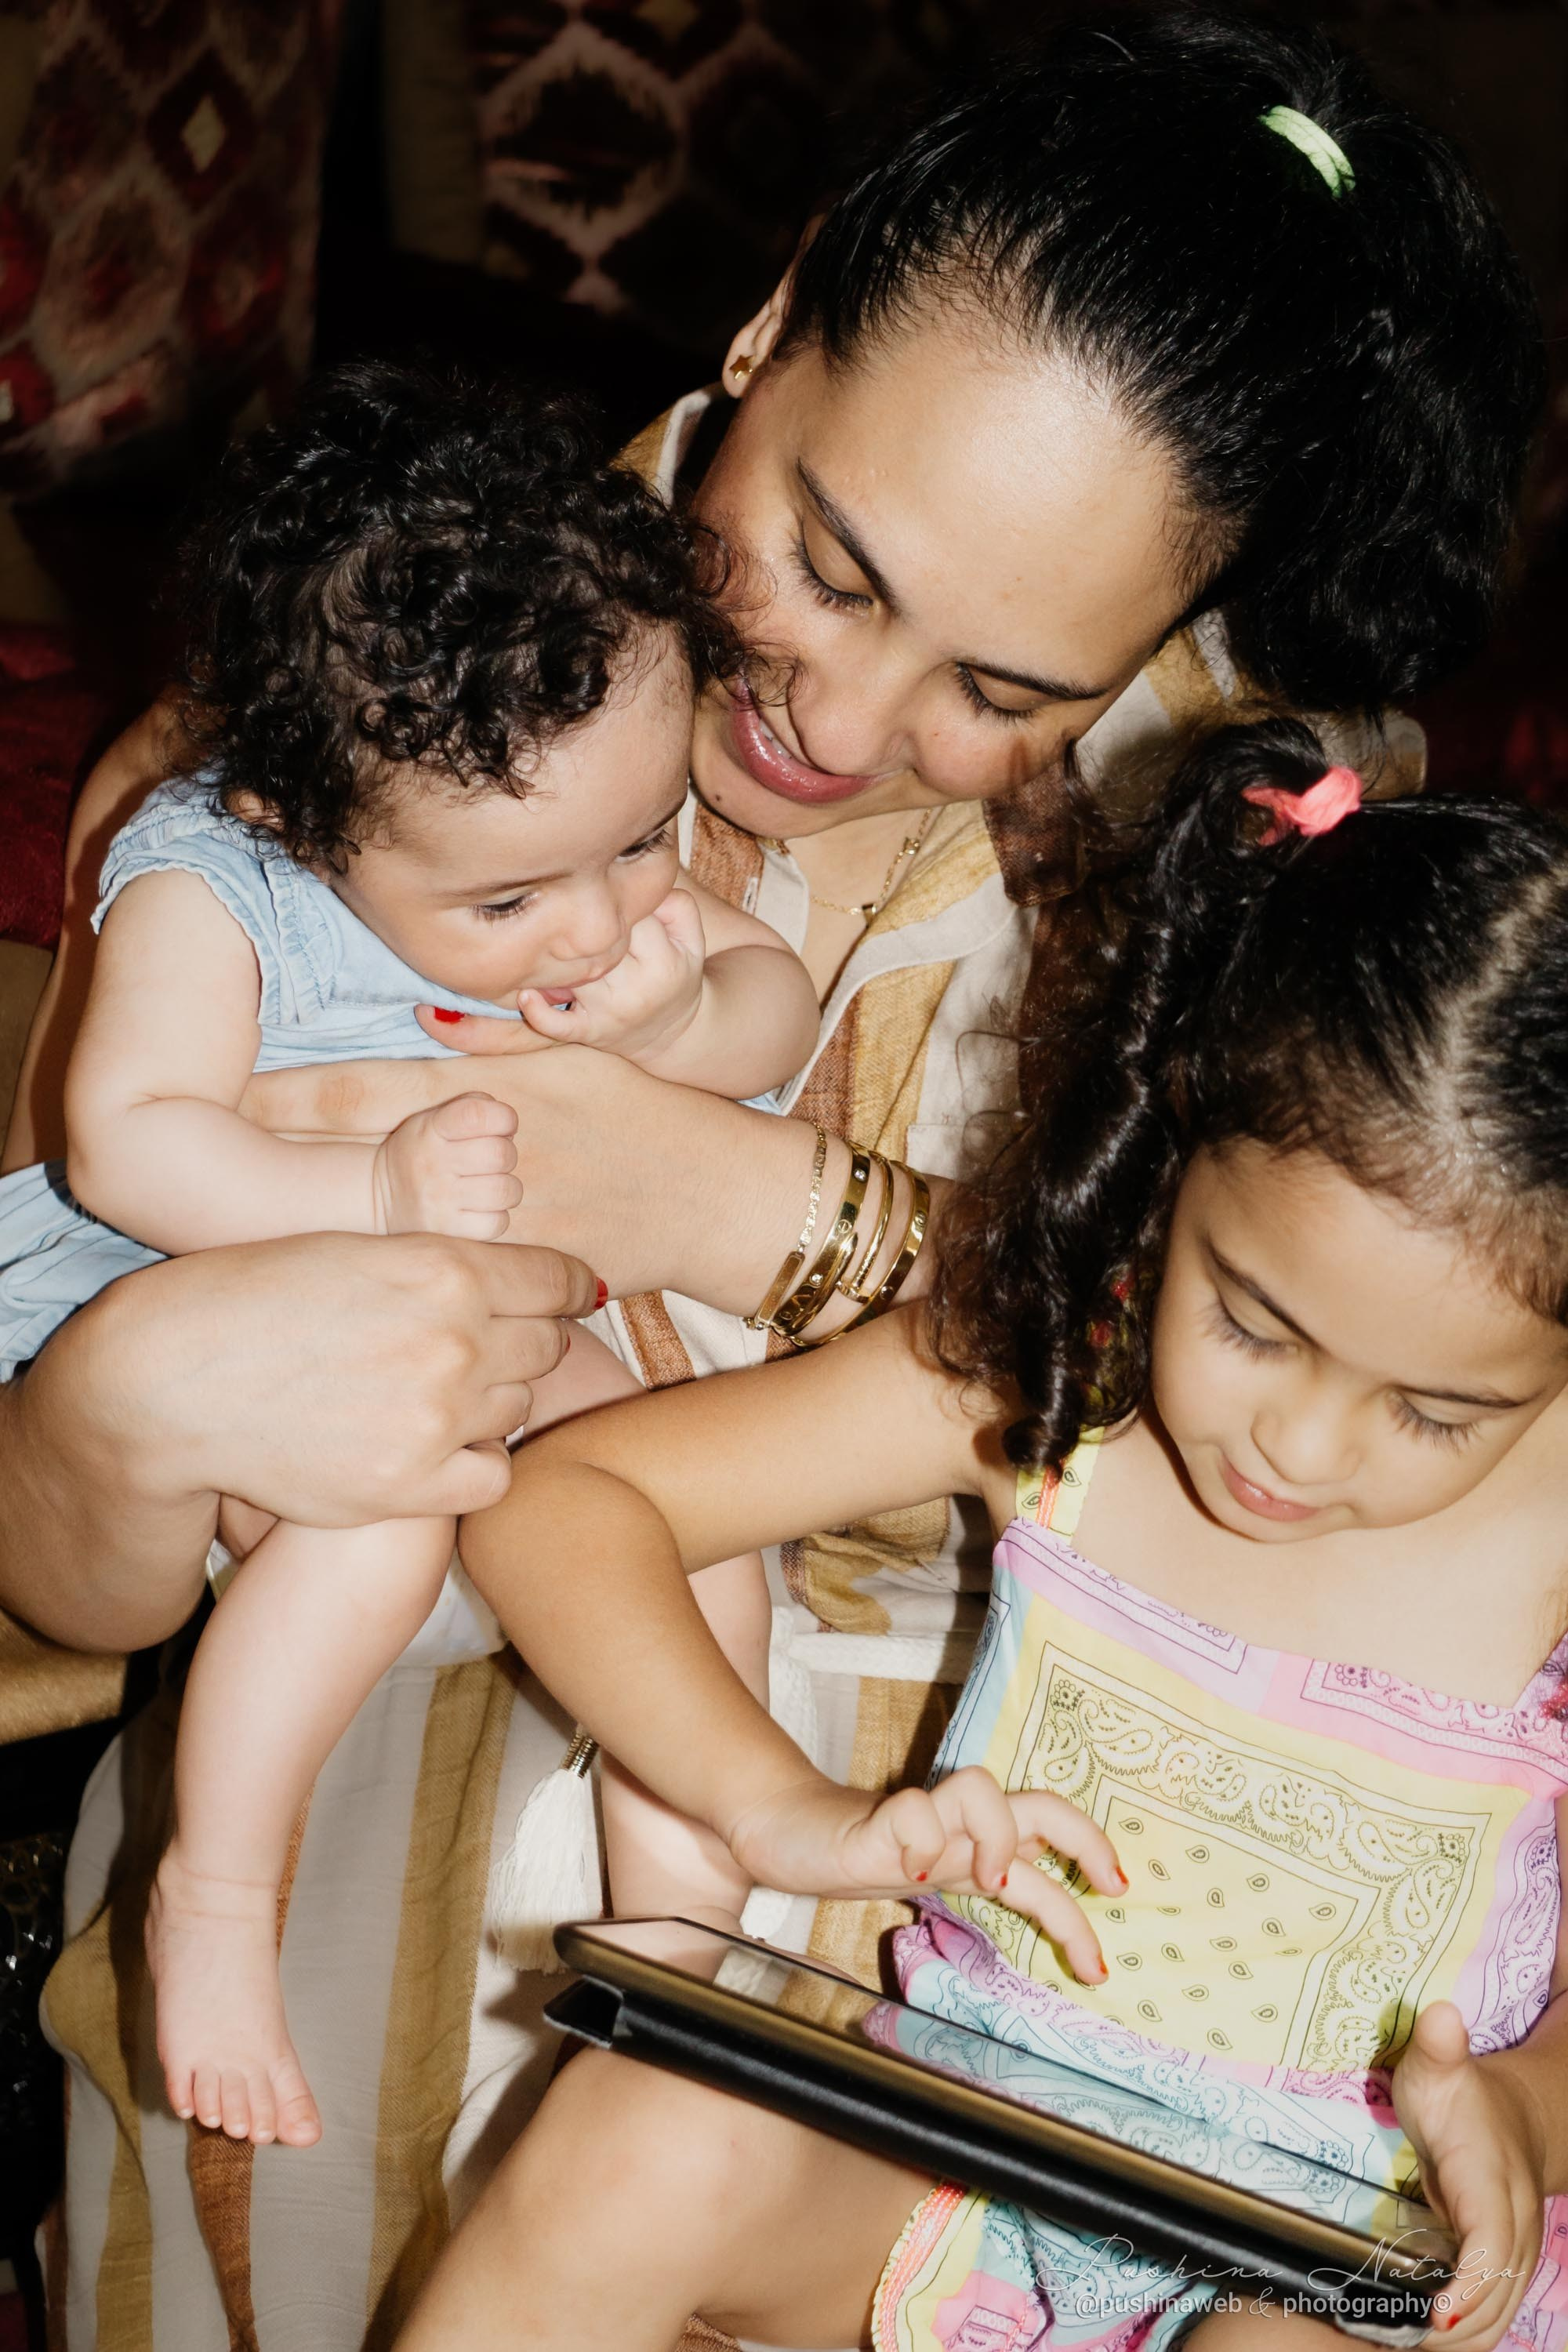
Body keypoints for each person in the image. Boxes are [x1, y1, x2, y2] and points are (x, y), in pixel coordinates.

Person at [14, 9, 1544, 2343]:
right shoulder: (320, 739)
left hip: (936, 2114)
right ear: (772, 310)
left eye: (1002, 691)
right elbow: (55, 1608)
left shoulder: (1255, 893)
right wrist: (113, 1420)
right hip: (302, 2003)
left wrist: (722, 1201)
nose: (836, 721)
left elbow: (1390, 1467)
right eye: (828, 562)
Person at [407, 724, 1568, 2352]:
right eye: (1249, 1319)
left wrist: (1520, 2106)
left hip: (1343, 2274)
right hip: (964, 2166)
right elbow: (563, 1505)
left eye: (1439, 1412)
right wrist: (776, 1812)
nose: (1300, 1446)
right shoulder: (1058, 1374)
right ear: (1171, 1154)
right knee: (633, 2138)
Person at [0, 361, 815, 2147]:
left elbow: (767, 1018)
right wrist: (369, 1198)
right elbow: (123, 1140)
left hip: (475, 1298)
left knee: (685, 1523)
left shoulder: (587, 827)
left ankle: (668, 1973)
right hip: (199, 1287)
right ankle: (214, 1894)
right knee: (375, 1527)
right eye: (511, 904)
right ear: (299, 817)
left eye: (632, 842)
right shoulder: (209, 878)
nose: (591, 917)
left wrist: (676, 1020)